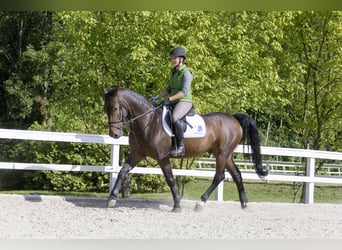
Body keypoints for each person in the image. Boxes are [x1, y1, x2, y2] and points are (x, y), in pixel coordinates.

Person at [151, 47, 193, 156]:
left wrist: (169, 99)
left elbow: (184, 92)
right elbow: (168, 89)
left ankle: (181, 146)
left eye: (174, 58)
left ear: (181, 59)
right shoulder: (173, 72)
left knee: (175, 117)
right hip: (173, 101)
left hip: (184, 101)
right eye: (172, 58)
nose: (172, 60)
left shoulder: (186, 73)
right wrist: (157, 97)